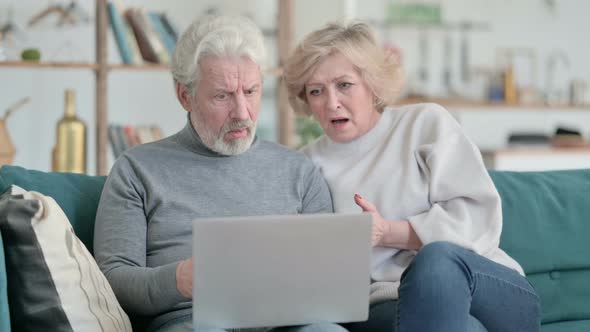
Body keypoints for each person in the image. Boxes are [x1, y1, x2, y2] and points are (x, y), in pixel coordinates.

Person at [284, 21, 541, 332]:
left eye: (345, 85)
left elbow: (479, 218)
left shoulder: (424, 124)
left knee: (436, 260)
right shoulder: (306, 165)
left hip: (485, 287)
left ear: (372, 84)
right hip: (389, 305)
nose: (331, 102)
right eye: (316, 91)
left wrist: (387, 232)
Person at [94, 15, 346, 332]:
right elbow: (113, 278)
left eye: (251, 91)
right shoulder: (137, 169)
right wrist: (180, 279)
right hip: (193, 321)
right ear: (185, 95)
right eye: (222, 96)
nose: (242, 113)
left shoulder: (299, 171)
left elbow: (327, 277)